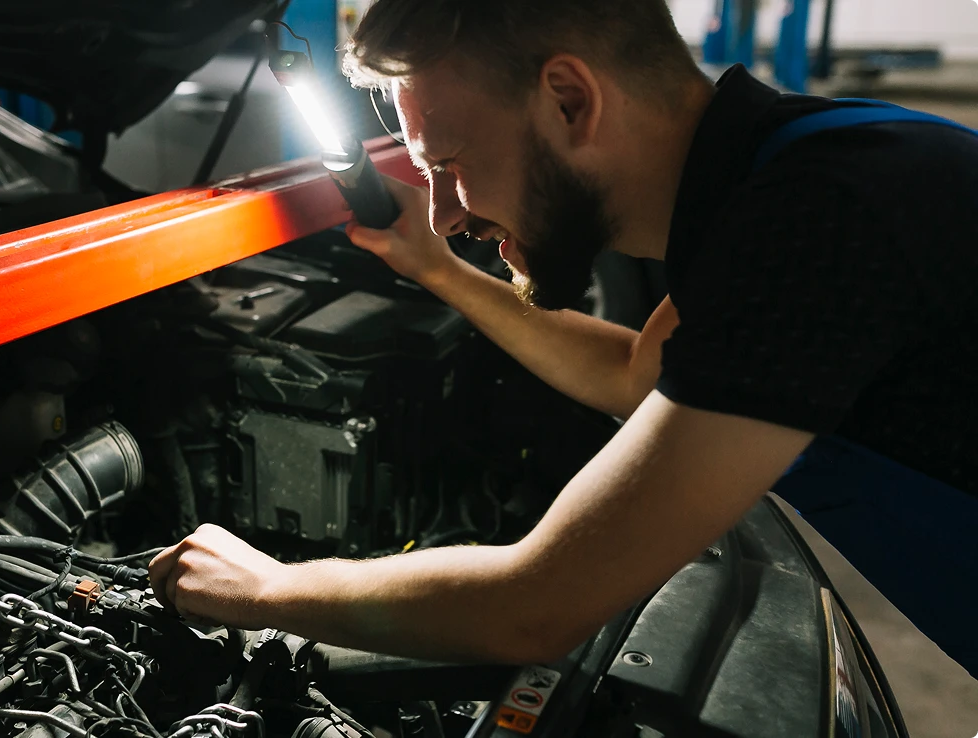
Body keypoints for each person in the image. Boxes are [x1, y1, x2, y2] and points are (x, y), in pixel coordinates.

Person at [150, 0, 978, 675]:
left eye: (450, 162)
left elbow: (533, 609)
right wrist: (437, 270)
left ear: (569, 100)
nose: (445, 213)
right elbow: (636, 371)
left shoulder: (817, 226)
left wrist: (263, 588)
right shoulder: (782, 170)